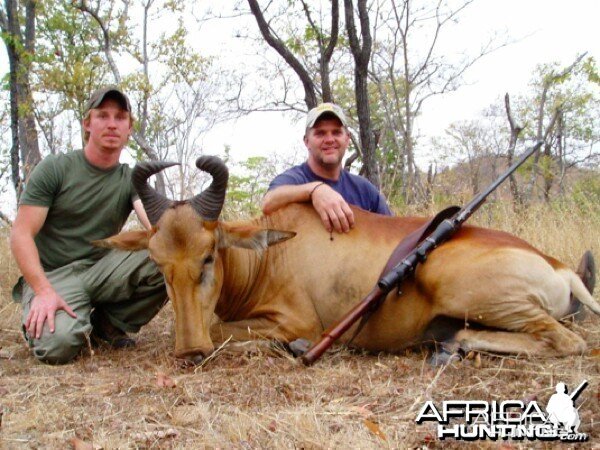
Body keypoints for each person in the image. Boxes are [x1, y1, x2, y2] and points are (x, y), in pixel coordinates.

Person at [10, 86, 167, 365]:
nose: (111, 124)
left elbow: (158, 227)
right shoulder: (56, 168)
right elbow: (21, 234)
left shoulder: (131, 178)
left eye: (120, 117)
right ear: (87, 123)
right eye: (102, 115)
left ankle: (108, 326)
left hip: (100, 270)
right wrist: (43, 290)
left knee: (169, 257)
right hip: (54, 277)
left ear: (129, 128)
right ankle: (57, 319)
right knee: (57, 347)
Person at [262, 103, 392, 233]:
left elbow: (393, 231)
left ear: (347, 139)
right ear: (307, 141)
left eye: (336, 132)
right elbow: (268, 203)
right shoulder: (294, 179)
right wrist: (315, 190)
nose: (329, 139)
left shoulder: (364, 189)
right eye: (320, 133)